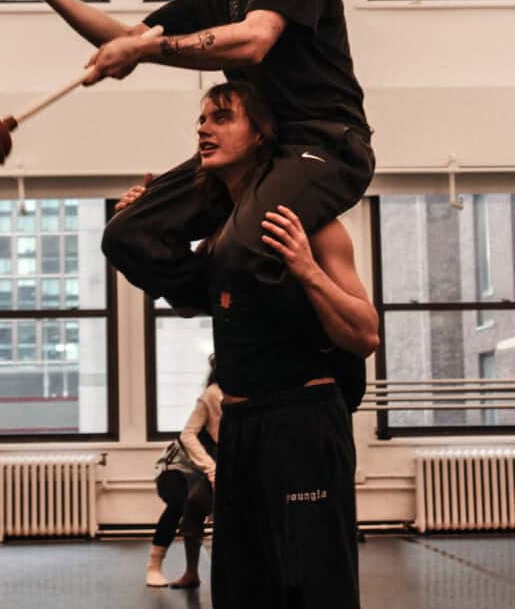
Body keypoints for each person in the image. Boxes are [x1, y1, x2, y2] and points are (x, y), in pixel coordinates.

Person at [0, 0, 374, 303]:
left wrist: (145, 50)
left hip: (323, 143)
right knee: (129, 232)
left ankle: (273, 318)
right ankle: (213, 301)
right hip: (258, 147)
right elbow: (128, 38)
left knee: (240, 248)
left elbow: (255, 40)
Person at [121, 79, 379, 608]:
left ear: (260, 134)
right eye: (201, 120)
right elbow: (197, 303)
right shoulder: (222, 236)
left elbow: (365, 332)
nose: (203, 129)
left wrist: (306, 270)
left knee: (313, 585)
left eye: (221, 118)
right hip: (239, 430)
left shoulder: (314, 225)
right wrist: (144, 229)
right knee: (241, 586)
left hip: (302, 422)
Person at [146, 359, 222, 590]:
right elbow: (188, 435)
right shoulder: (212, 394)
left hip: (206, 468)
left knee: (200, 509)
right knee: (181, 503)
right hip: (178, 467)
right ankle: (154, 566)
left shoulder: (245, 393)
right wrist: (211, 468)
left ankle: (195, 573)